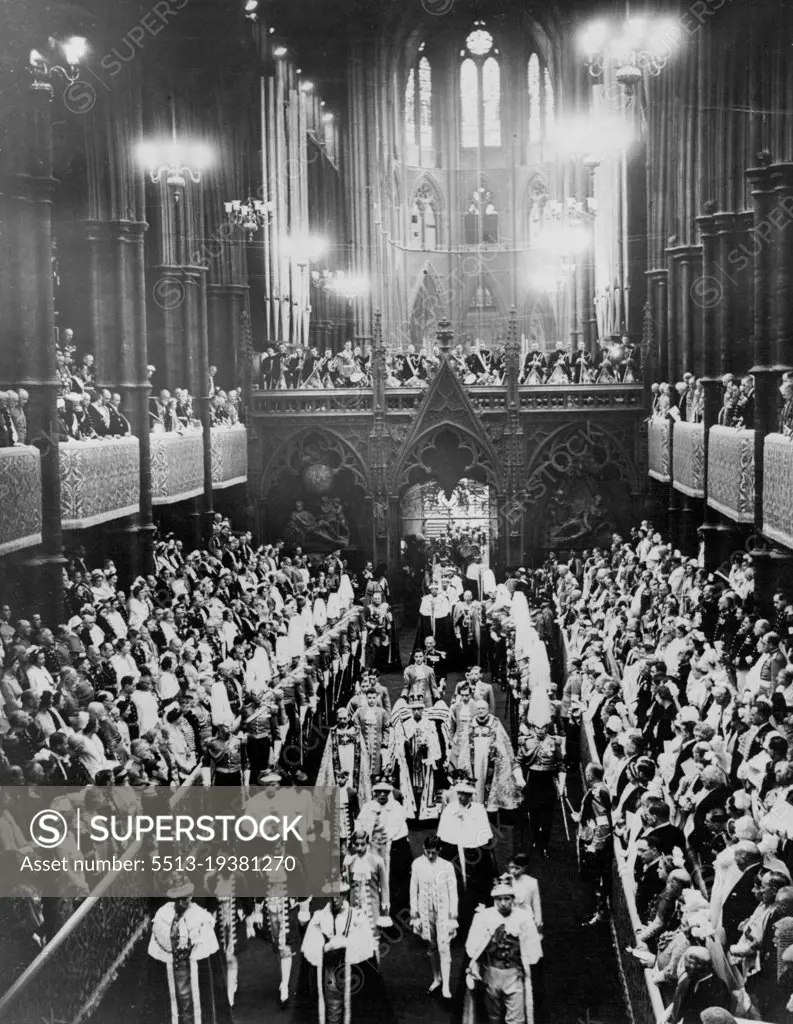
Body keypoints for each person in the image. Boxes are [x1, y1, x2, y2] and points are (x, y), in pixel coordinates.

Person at [301, 881, 387, 1024]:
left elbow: (365, 945)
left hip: (352, 972)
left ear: (345, 895)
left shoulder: (357, 917)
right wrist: (324, 947)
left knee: (354, 1009)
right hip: (330, 970)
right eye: (332, 896)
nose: (335, 899)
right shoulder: (319, 917)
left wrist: (345, 943)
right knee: (333, 1009)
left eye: (339, 896)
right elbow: (310, 946)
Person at [146, 880, 232, 1024]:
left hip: (195, 976)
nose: (182, 902)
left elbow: (210, 961)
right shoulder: (163, 916)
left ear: (191, 897)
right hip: (173, 976)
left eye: (184, 898)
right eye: (179, 899)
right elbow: (157, 957)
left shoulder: (200, 917)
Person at [463, 878, 543, 1024]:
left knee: (516, 1019)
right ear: (494, 899)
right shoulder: (484, 917)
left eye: (507, 898)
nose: (503, 903)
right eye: (499, 899)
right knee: (493, 1016)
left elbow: (533, 950)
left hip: (514, 974)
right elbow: (473, 947)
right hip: (492, 974)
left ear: (513, 899)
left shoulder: (523, 918)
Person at [410, 835, 458, 998]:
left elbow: (453, 891)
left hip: (443, 911)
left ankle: (446, 985)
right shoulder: (417, 864)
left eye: (433, 853)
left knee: (444, 946)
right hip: (425, 912)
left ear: (439, 850)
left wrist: (453, 912)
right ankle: (436, 978)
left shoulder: (447, 866)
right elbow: (413, 890)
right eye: (427, 852)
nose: (430, 856)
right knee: (431, 946)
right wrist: (414, 912)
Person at [457, 699, 521, 812]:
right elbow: (464, 743)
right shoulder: (470, 723)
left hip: (490, 760)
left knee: (489, 781)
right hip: (475, 760)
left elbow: (504, 741)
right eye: (478, 708)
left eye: (483, 708)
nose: (480, 711)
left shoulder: (495, 722)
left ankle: (490, 807)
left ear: (488, 710)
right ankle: (475, 805)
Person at [389, 697, 443, 820]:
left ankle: (425, 813)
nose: (417, 712)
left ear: (422, 710)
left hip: (425, 761)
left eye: (419, 709)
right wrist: (406, 743)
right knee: (412, 785)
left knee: (424, 785)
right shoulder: (406, 724)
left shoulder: (429, 724)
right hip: (411, 761)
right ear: (411, 711)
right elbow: (400, 742)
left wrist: (427, 744)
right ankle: (412, 812)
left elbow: (435, 743)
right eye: (414, 710)